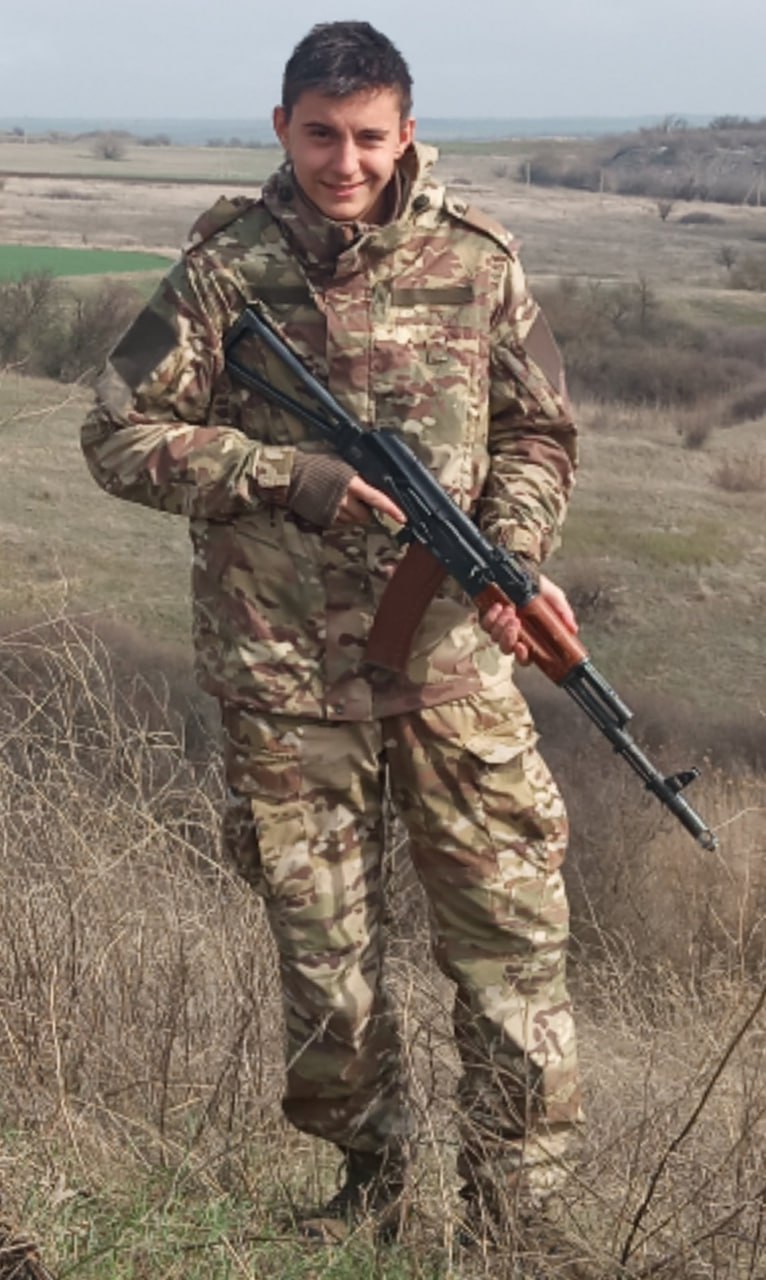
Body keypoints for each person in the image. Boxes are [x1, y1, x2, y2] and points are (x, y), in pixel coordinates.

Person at [81, 20, 582, 1247]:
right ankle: (372, 1203)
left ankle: (515, 1220)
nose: (343, 162)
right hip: (286, 675)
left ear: (406, 132)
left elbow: (538, 432)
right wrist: (278, 473)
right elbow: (114, 433)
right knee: (326, 967)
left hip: (454, 671)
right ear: (281, 128)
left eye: (367, 136)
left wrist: (510, 552)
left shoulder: (479, 262)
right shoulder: (220, 272)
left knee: (513, 947)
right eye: (319, 134)